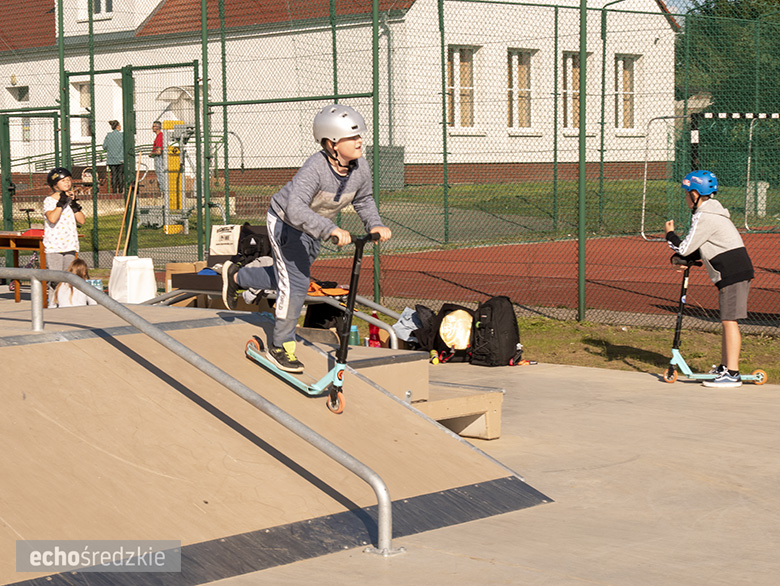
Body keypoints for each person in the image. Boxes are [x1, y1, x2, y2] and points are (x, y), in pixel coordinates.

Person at [221, 104, 392, 373]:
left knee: (287, 278)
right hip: (285, 222)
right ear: (332, 143)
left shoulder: (360, 168)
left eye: (360, 136)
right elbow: (296, 208)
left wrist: (376, 224)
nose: (360, 142)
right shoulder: (315, 167)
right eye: (353, 137)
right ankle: (280, 346)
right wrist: (329, 229)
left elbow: (364, 199)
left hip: (314, 227)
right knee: (297, 284)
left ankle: (237, 277)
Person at [665, 170, 754, 388]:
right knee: (727, 320)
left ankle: (732, 373)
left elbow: (685, 247)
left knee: (729, 321)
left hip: (732, 273)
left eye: (687, 193)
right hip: (733, 272)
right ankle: (726, 367)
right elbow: (701, 247)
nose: (686, 197)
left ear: (695, 194)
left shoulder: (705, 216)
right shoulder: (712, 213)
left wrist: (669, 235)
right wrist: (683, 259)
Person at [43, 167, 86, 301]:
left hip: (69, 244)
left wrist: (73, 204)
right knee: (56, 278)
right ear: (55, 184)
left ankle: (66, 302)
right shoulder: (49, 201)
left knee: (69, 277)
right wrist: (61, 203)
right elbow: (52, 218)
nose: (67, 183)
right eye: (63, 181)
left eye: (69, 180)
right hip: (55, 246)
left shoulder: (69, 200)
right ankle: (53, 304)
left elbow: (82, 220)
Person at [102, 120, 124, 194]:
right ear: (117, 126)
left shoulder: (109, 136)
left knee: (113, 175)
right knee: (120, 175)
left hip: (111, 159)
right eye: (120, 126)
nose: (120, 127)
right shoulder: (122, 135)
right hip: (121, 158)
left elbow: (104, 146)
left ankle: (114, 191)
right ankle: (121, 191)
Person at [150, 121, 167, 198]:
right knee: (160, 173)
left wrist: (152, 153)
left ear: (157, 127)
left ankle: (164, 191)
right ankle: (163, 191)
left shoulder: (160, 136)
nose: (152, 128)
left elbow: (159, 151)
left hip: (159, 158)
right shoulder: (158, 136)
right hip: (158, 157)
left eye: (153, 126)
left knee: (160, 173)